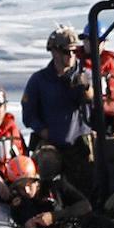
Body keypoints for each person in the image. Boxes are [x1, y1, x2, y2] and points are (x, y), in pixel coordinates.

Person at [19, 27, 95, 186]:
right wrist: (42, 130)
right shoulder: (39, 80)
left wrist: (87, 88)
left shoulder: (86, 76)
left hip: (80, 145)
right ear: (54, 52)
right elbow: (28, 114)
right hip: (52, 143)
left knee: (90, 175)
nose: (72, 56)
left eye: (75, 52)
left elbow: (94, 102)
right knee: (47, 165)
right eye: (67, 52)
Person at [0, 153, 99, 228]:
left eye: (29, 184)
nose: (26, 190)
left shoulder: (56, 185)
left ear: (36, 180)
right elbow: (19, 218)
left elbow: (85, 205)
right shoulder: (18, 203)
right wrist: (27, 223)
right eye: (21, 188)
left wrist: (54, 216)